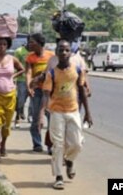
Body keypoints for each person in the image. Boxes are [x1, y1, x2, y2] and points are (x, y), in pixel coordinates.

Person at [40, 40, 93, 190]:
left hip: (73, 111)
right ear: (56, 53)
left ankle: (69, 161)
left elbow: (82, 91)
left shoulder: (76, 70)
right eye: (61, 50)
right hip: (56, 112)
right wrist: (41, 114)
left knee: (76, 143)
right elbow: (45, 94)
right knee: (58, 145)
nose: (63, 53)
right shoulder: (51, 73)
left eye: (66, 50)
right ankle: (58, 176)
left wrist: (88, 113)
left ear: (70, 53)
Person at [26, 33, 54, 152]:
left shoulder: (51, 56)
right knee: (36, 116)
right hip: (37, 90)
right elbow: (28, 73)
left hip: (49, 90)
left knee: (51, 118)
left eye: (32, 42)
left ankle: (50, 144)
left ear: (39, 43)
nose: (30, 44)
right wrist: (29, 86)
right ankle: (37, 143)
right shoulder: (30, 58)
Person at [14, 40, 33, 128]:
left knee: (32, 100)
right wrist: (14, 77)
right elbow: (15, 65)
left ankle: (30, 116)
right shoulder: (19, 51)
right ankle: (17, 116)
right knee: (21, 100)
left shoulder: (35, 51)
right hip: (22, 79)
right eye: (30, 42)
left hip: (33, 80)